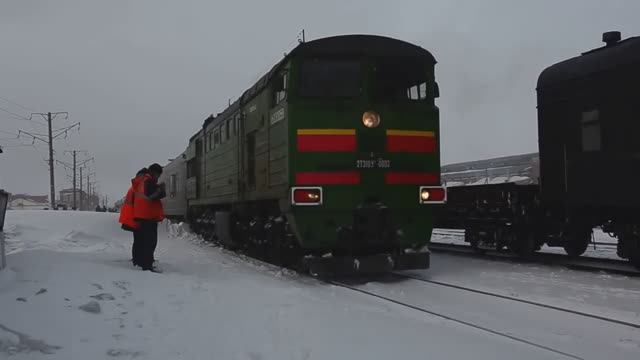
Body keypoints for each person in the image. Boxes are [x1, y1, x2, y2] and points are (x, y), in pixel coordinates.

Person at [133, 163, 166, 272]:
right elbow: (151, 196)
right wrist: (160, 189)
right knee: (150, 242)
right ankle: (147, 266)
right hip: (148, 216)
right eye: (158, 175)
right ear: (154, 172)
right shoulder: (148, 180)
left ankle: (140, 261)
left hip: (141, 215)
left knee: (141, 241)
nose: (158, 178)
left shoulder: (141, 180)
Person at [118, 168, 148, 267]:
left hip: (132, 217)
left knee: (138, 240)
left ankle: (136, 259)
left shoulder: (133, 186)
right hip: (137, 217)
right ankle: (138, 260)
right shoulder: (139, 187)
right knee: (140, 240)